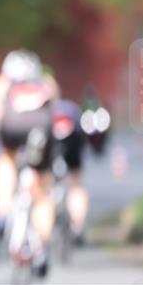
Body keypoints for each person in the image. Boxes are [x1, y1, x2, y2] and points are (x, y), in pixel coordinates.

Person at [0, 49, 59, 277]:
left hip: (12, 125)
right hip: (41, 127)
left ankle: (2, 212)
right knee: (42, 192)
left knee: (6, 158)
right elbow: (54, 112)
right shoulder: (46, 81)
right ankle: (42, 247)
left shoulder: (2, 83)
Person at [52, 98, 89, 246]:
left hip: (49, 139)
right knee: (76, 184)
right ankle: (78, 227)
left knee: (43, 183)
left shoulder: (44, 110)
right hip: (74, 139)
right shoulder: (72, 109)